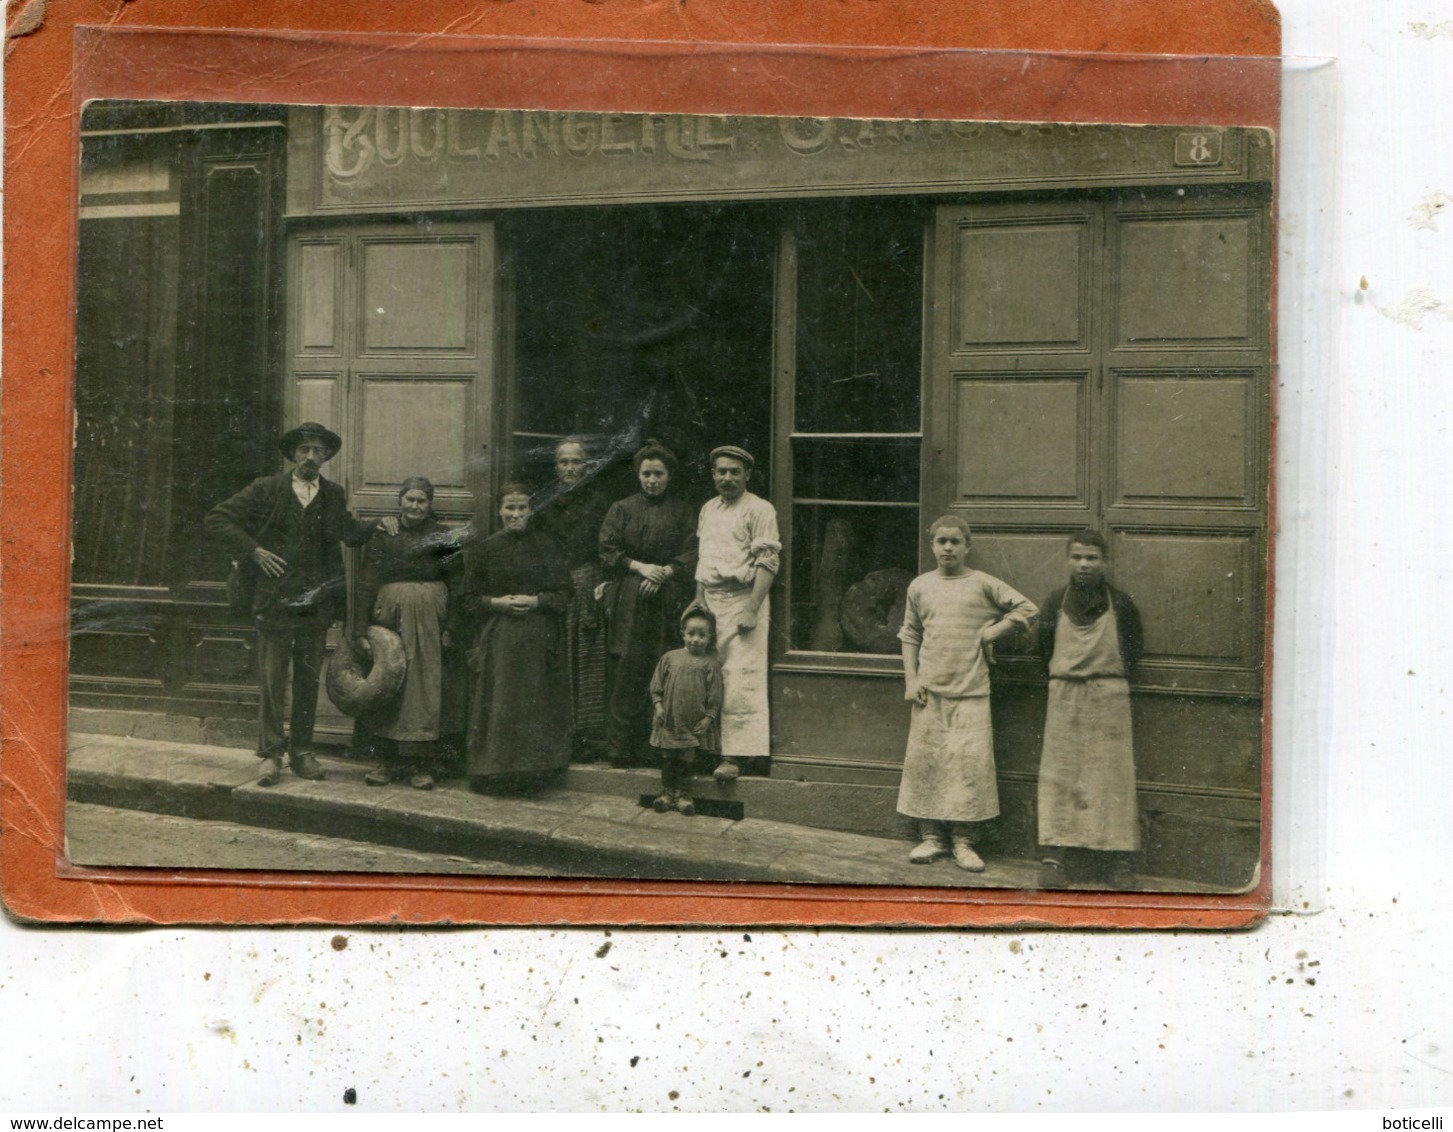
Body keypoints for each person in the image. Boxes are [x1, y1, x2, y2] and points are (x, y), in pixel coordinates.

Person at [205, 422, 395, 786]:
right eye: (304, 449)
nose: (310, 456)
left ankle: (303, 752)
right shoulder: (266, 489)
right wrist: (254, 551)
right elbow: (217, 518)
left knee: (308, 680)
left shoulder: (333, 495)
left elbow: (349, 533)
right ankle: (271, 754)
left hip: (315, 604)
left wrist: (379, 524)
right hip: (274, 601)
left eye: (318, 451)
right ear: (293, 453)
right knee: (274, 680)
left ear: (326, 457)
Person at [897, 515, 1037, 871]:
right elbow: (910, 635)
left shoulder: (983, 584)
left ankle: (964, 842)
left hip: (972, 691)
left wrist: (992, 633)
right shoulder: (920, 586)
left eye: (954, 542)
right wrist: (911, 680)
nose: (947, 548)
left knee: (967, 767)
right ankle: (931, 837)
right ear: (931, 545)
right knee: (929, 763)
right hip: (930, 691)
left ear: (967, 546)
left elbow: (1027, 609)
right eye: (941, 541)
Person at [1035, 530, 1145, 890]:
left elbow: (1133, 651)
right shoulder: (1054, 603)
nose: (1084, 564)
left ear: (1105, 562)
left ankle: (1118, 861)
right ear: (1068, 560)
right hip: (1064, 694)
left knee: (1113, 775)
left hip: (1109, 695)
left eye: (1092, 558)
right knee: (1060, 771)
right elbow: (1042, 651)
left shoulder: (1122, 604)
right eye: (1078, 557)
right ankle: (1054, 858)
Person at [462, 483, 573, 794]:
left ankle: (533, 775)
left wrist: (537, 601)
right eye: (510, 508)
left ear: (531, 510)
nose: (516, 514)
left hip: (539, 638)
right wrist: (498, 603)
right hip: (500, 639)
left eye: (522, 508)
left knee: (534, 704)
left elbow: (565, 594)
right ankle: (495, 773)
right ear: (500, 511)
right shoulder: (485, 549)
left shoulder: (546, 546)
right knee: (500, 703)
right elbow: (468, 601)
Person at [356, 477, 463, 791]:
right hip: (388, 616)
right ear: (399, 501)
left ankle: (421, 764)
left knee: (425, 684)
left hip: (431, 621)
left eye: (422, 501)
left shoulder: (443, 537)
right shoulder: (384, 534)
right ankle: (386, 761)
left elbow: (458, 582)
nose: (415, 506)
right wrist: (359, 628)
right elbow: (366, 582)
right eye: (410, 500)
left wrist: (452, 627)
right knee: (390, 680)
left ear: (430, 506)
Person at [598, 439, 698, 768]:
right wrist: (641, 569)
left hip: (667, 599)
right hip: (631, 598)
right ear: (638, 475)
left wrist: (667, 572)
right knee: (628, 666)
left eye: (658, 474)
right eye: (646, 474)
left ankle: (659, 747)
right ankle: (620, 749)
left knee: (664, 666)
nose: (651, 480)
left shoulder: (683, 510)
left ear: (669, 476)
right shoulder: (622, 508)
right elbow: (608, 548)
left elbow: (693, 551)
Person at [690, 445, 780, 783]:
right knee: (707, 674)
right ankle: (706, 749)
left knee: (741, 676)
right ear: (713, 474)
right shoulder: (708, 509)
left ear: (747, 475)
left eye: (734, 472)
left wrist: (752, 607)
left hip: (745, 598)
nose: (727, 477)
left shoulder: (760, 509)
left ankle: (733, 756)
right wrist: (698, 600)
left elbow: (768, 562)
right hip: (711, 600)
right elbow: (704, 557)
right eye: (721, 471)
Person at [533, 439, 611, 762]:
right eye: (563, 462)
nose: (569, 468)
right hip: (554, 585)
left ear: (587, 466)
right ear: (556, 467)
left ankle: (588, 738)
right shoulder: (544, 502)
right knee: (555, 657)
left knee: (588, 658)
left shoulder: (600, 500)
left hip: (588, 581)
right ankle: (556, 736)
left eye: (576, 462)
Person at [648, 608, 723, 816]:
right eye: (691, 634)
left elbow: (715, 696)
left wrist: (708, 718)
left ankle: (682, 795)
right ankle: (666, 794)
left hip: (692, 723)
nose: (696, 640)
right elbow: (656, 685)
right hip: (670, 721)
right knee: (668, 758)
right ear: (683, 633)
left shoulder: (711, 664)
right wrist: (658, 706)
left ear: (710, 638)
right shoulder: (670, 658)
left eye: (702, 635)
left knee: (687, 759)